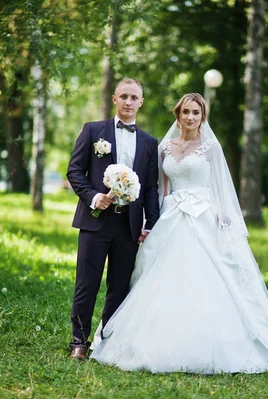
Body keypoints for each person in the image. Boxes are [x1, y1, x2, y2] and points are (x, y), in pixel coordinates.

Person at [90, 93, 268, 374]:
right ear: (178, 115)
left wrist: (224, 221)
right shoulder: (165, 147)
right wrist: (151, 222)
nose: (190, 117)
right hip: (172, 215)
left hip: (204, 216)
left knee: (212, 276)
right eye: (186, 112)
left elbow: (221, 187)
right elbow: (162, 190)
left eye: (196, 113)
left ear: (203, 117)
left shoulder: (211, 148)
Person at [66, 78, 160, 361]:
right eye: (124, 96)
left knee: (119, 286)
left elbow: (151, 187)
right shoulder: (94, 131)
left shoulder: (149, 142)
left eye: (134, 97)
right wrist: (95, 197)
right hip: (95, 221)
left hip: (129, 225)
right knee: (87, 283)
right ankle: (78, 342)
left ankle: (108, 339)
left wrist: (151, 222)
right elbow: (75, 170)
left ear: (141, 102)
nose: (129, 102)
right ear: (114, 99)